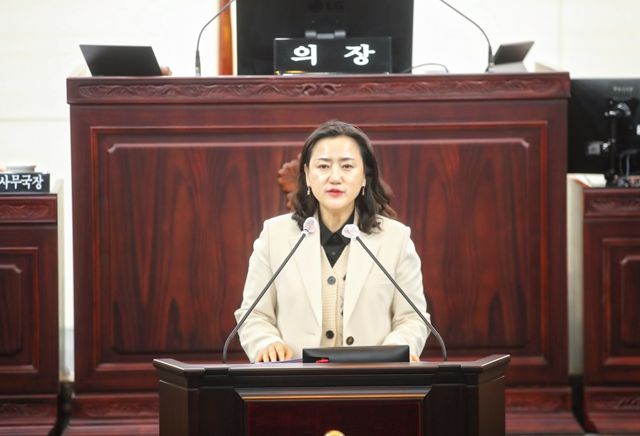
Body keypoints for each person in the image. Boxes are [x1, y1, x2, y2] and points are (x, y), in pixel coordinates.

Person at [234, 120, 431, 362]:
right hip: (294, 380)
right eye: (323, 166)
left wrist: (395, 349)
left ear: (364, 177)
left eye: (347, 166)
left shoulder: (396, 239)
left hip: (374, 378)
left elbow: (412, 318)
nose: (335, 177)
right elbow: (253, 315)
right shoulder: (274, 236)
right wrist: (267, 343)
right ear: (307, 175)